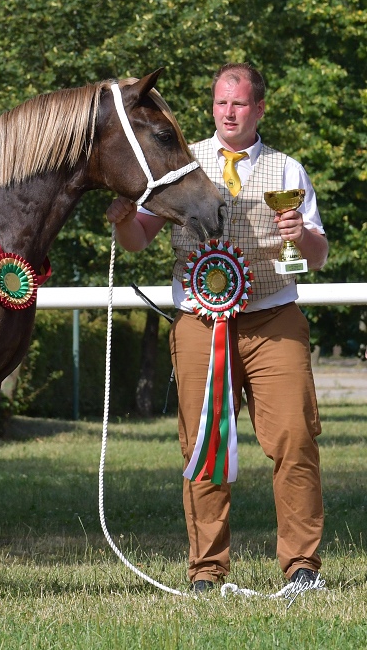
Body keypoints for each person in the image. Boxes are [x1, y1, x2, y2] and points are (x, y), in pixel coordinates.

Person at [106, 63, 329, 592]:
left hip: (275, 317)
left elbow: (317, 257)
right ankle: (207, 572)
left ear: (259, 109)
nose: (228, 113)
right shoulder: (183, 162)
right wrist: (120, 219)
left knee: (295, 440)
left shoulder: (288, 170)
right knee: (204, 445)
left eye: (240, 103)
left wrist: (301, 234)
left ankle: (302, 568)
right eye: (220, 103)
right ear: (212, 108)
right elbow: (139, 239)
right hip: (201, 323)